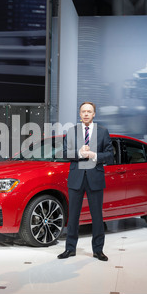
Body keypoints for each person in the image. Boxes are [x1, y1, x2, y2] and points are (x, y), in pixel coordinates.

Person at [58, 102, 114, 261]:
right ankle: (70, 249)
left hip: (95, 177)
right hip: (76, 178)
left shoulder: (102, 132)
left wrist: (94, 155)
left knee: (97, 217)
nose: (86, 114)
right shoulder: (71, 131)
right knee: (73, 216)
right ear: (80, 113)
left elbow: (110, 155)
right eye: (83, 111)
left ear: (94, 114)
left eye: (89, 111)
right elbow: (64, 153)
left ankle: (98, 250)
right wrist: (80, 153)